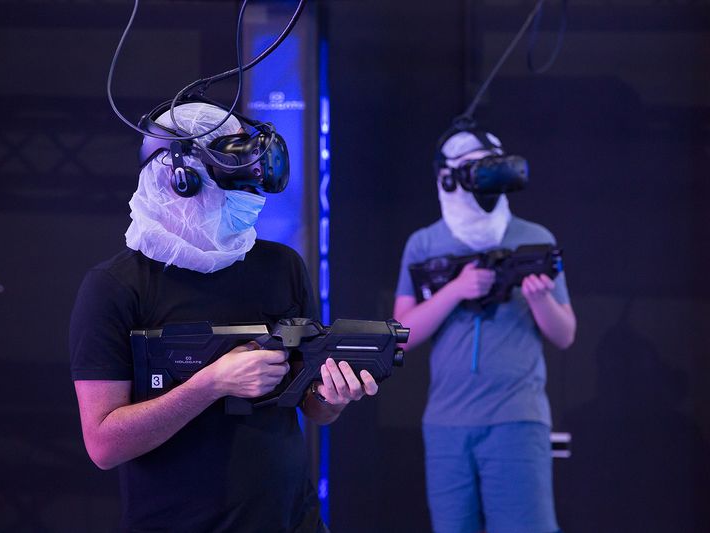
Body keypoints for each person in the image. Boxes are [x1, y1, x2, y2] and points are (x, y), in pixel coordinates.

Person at [69, 102, 376, 532]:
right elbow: (104, 444)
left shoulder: (281, 266)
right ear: (181, 180)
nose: (250, 200)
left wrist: (332, 398)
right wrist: (211, 384)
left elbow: (312, 405)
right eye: (235, 185)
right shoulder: (116, 287)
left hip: (292, 520)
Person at [394, 129, 576, 533]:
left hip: (517, 417)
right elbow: (402, 330)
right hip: (446, 422)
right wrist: (457, 291)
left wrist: (540, 298)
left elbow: (565, 334)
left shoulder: (535, 239)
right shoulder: (424, 243)